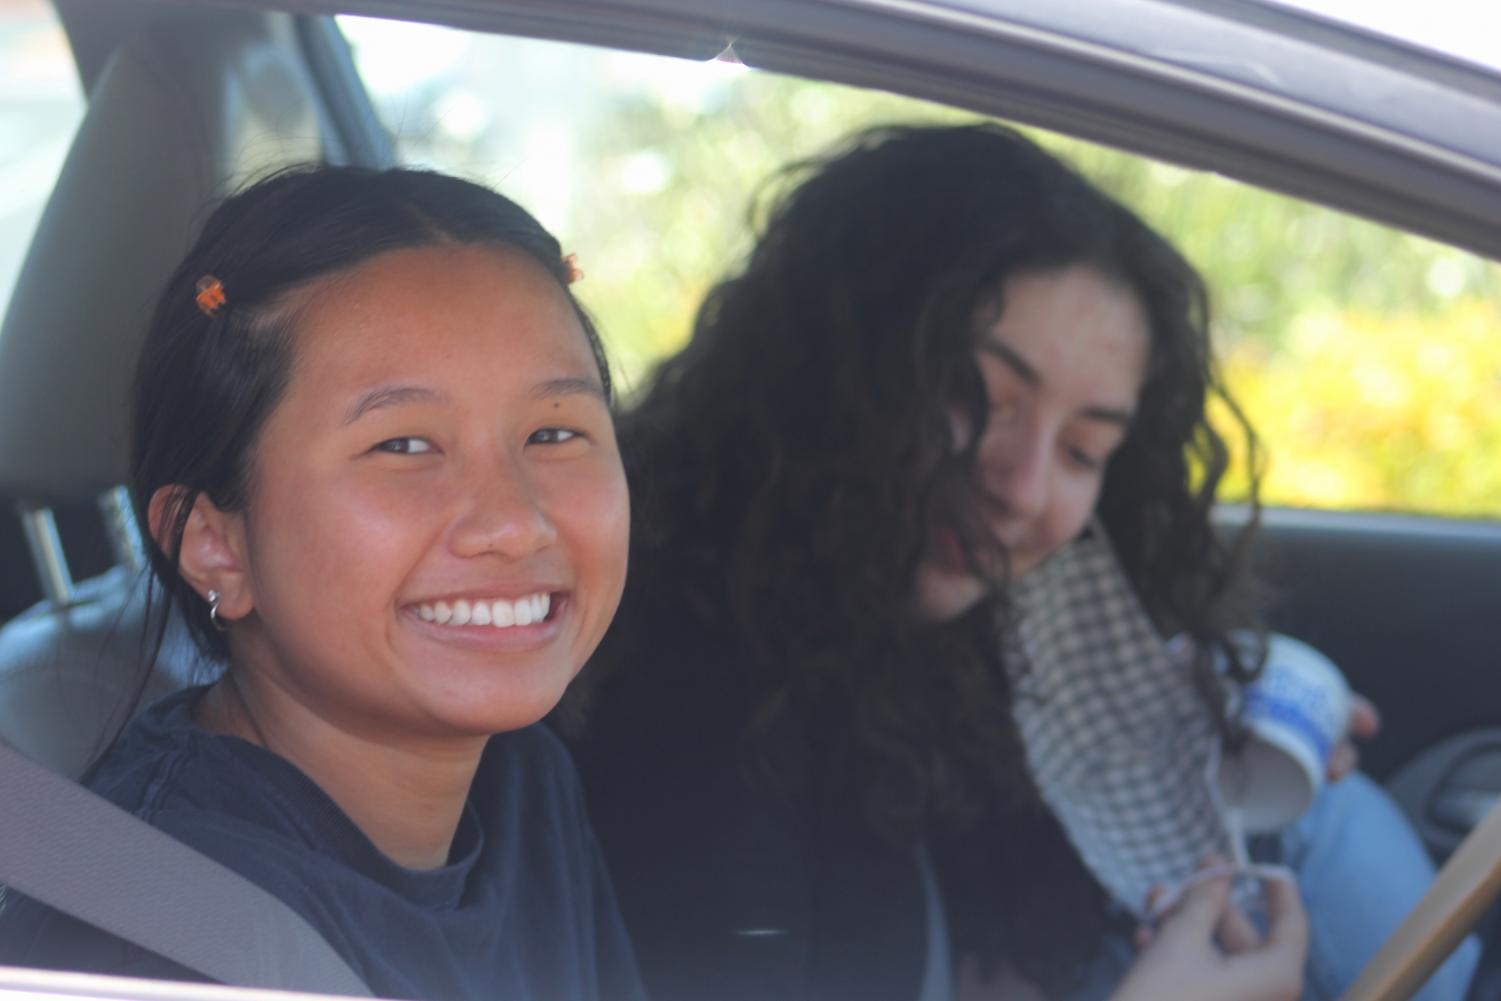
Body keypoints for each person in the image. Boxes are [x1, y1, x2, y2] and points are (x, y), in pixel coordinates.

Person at [572, 124, 1475, 1001]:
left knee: (1303, 822)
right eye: (981, 397)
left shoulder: (904, 619)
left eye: (1083, 451)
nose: (1023, 487)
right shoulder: (684, 701)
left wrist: (1200, 726)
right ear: (832, 371)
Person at [0, 166, 643, 1001]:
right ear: (214, 545)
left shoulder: (524, 785)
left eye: (554, 431)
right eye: (405, 446)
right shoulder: (149, 939)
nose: (513, 521)